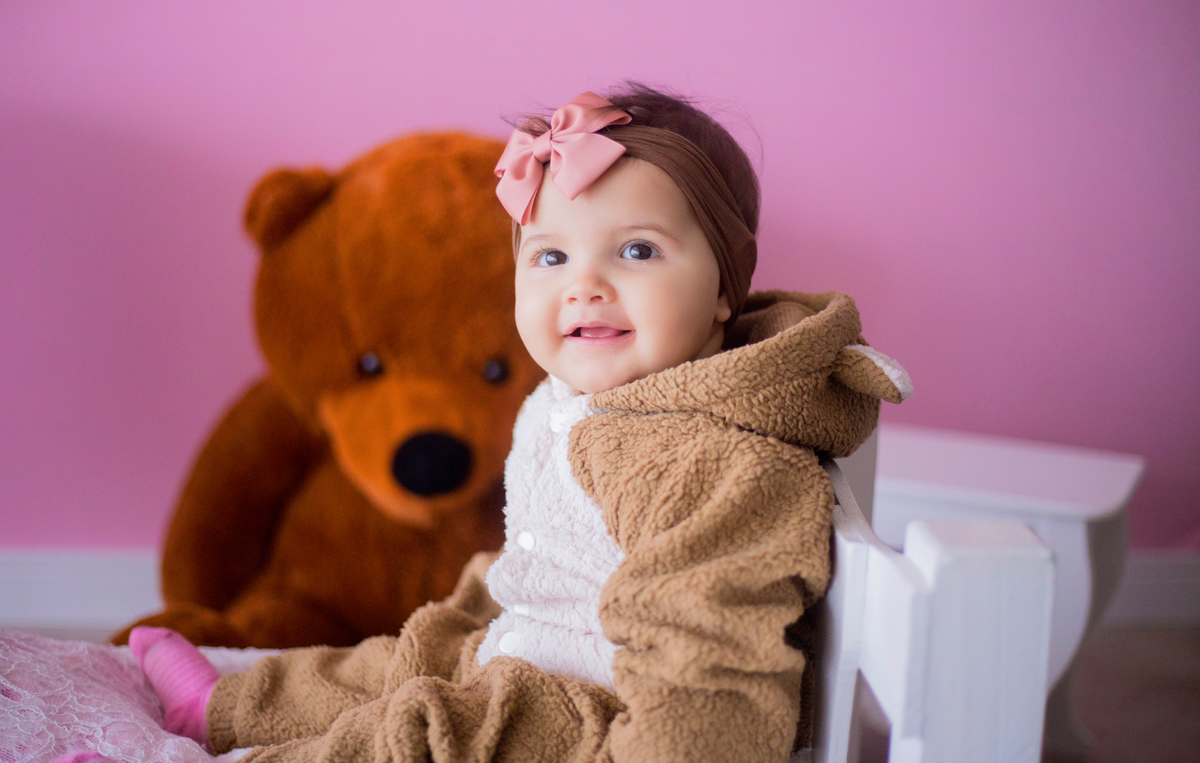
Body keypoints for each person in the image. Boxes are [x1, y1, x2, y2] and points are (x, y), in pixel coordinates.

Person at [73, 85, 909, 763]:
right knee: (403, 655)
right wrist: (477, 606)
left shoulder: (723, 457)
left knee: (425, 730)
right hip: (524, 643)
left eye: (638, 251)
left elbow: (710, 673)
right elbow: (550, 553)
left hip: (597, 710)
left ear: (724, 287)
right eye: (551, 257)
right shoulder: (567, 401)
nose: (583, 286)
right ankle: (224, 704)